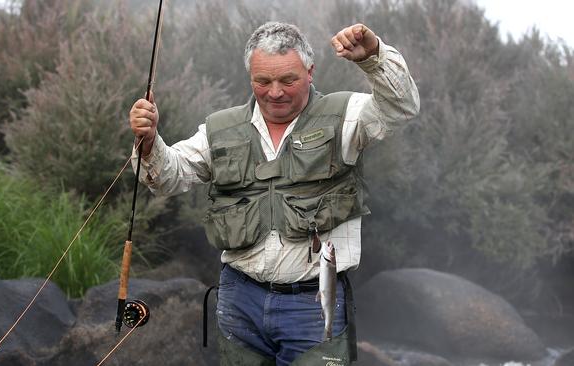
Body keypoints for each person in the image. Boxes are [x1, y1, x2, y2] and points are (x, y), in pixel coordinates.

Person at [129, 21, 419, 365]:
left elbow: (400, 108)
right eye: (263, 81)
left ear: (310, 72)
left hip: (314, 303)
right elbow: (167, 176)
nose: (275, 92)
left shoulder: (345, 118)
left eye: (288, 80)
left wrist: (373, 57)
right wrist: (148, 143)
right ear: (250, 76)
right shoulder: (220, 129)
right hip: (239, 299)